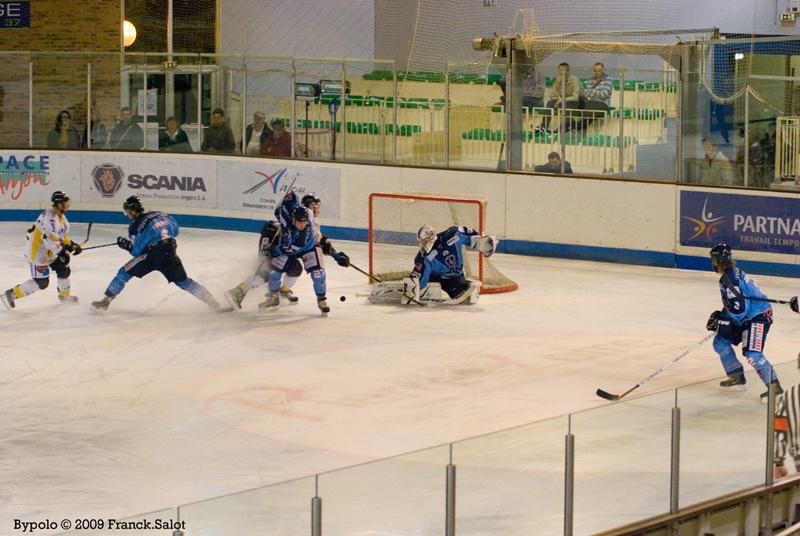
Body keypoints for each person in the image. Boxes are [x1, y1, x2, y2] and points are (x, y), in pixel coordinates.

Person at [90, 196, 224, 312]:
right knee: (184, 282)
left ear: (132, 210)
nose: (127, 215)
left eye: (127, 212)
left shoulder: (135, 226)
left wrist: (126, 245)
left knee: (124, 272)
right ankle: (214, 303)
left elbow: (137, 251)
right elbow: (176, 230)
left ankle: (106, 300)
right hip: (170, 249)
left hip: (152, 255)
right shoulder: (160, 213)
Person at [706, 243, 781, 401]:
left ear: (717, 260)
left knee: (753, 353)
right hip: (747, 317)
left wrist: (722, 321)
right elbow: (735, 305)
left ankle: (775, 389)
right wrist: (722, 315)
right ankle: (737, 376)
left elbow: (740, 310)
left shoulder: (729, 279)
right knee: (720, 342)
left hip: (757, 317)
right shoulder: (730, 274)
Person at [0, 191, 82, 309]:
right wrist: (62, 252)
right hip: (37, 253)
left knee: (63, 269)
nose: (68, 205)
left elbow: (60, 235)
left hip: (49, 250)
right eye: (65, 203)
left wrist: (72, 245)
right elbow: (49, 241)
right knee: (42, 282)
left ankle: (64, 296)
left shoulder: (61, 217)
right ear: (59, 204)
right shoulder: (50, 219)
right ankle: (12, 294)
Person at [401, 225, 496, 305]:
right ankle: (429, 291)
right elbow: (418, 279)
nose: (423, 243)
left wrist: (481, 240)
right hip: (440, 278)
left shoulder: (453, 234)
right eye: (422, 241)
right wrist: (412, 288)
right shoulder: (423, 257)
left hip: (458, 275)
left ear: (431, 237)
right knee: (425, 284)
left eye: (425, 240)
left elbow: (469, 235)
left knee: (465, 297)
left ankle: (461, 286)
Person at [261, 205, 331, 315]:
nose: (302, 225)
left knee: (318, 274)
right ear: (293, 219)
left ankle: (321, 299)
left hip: (307, 248)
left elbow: (288, 248)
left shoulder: (307, 224)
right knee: (274, 270)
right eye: (299, 222)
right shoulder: (288, 226)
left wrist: (272, 250)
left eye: (304, 222)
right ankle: (273, 296)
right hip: (290, 249)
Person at [541, 63, 585, 131]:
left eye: (564, 70)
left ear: (568, 71)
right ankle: (544, 126)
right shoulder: (558, 79)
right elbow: (552, 95)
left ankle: (565, 127)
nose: (562, 72)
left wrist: (560, 101)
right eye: (560, 70)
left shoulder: (574, 79)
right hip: (564, 101)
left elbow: (575, 97)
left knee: (567, 104)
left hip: (579, 101)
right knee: (550, 103)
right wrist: (559, 99)